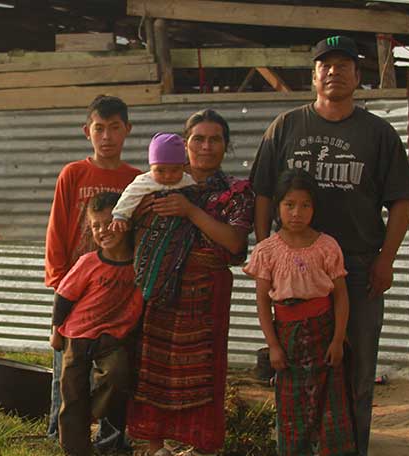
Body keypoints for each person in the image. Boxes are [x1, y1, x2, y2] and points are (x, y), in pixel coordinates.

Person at [248, 35, 409, 455]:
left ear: (358, 77)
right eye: (325, 65)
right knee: (292, 371)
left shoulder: (377, 133)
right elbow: (263, 192)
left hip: (358, 269)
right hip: (293, 273)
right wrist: (264, 245)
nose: (334, 71)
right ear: (313, 76)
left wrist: (386, 261)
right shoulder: (286, 127)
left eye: (344, 65)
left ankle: (352, 449)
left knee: (356, 372)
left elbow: (402, 201)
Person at [126, 110, 254, 456]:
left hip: (207, 293)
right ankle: (155, 446)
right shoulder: (156, 183)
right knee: (152, 366)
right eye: (198, 138)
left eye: (215, 139)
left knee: (204, 373)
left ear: (226, 146)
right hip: (159, 289)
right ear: (185, 145)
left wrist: (191, 211)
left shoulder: (236, 191)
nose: (206, 146)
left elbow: (235, 243)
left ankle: (201, 447)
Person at [44, 95, 142, 447]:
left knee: (115, 369)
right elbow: (57, 227)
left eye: (115, 128)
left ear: (127, 130)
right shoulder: (74, 174)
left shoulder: (137, 179)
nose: (107, 136)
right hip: (76, 288)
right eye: (99, 128)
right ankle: (61, 434)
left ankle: (111, 437)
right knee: (66, 371)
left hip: (117, 293)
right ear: (87, 132)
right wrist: (58, 281)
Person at [243, 169, 355, 456]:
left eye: (305, 205)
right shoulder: (267, 251)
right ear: (278, 206)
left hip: (324, 331)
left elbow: (341, 296)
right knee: (293, 410)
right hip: (287, 338)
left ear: (315, 208)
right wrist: (274, 347)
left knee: (329, 408)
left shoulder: (327, 246)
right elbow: (262, 303)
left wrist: (338, 339)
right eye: (289, 204)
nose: (297, 212)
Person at [50, 192, 143, 456]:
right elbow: (64, 298)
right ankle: (76, 449)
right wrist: (55, 332)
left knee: (117, 375)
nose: (103, 230)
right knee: (71, 392)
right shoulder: (88, 263)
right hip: (77, 336)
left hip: (111, 339)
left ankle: (92, 414)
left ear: (124, 223)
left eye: (109, 223)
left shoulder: (138, 264)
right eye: (96, 226)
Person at [110, 132, 197, 233]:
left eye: (175, 170)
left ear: (183, 167)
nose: (168, 176)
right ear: (151, 167)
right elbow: (130, 196)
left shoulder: (188, 181)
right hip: (147, 232)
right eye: (160, 170)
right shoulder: (144, 182)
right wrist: (120, 216)